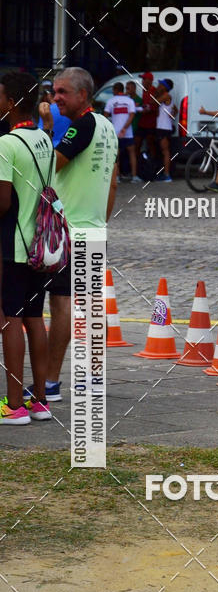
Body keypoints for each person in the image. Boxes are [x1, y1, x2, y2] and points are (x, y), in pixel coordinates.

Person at [31, 66, 118, 401]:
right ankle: (94, 377)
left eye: (63, 92)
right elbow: (112, 182)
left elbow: (52, 166)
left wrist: (48, 130)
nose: (55, 98)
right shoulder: (107, 128)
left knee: (63, 304)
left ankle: (50, 382)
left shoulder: (83, 125)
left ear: (84, 94)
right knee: (94, 306)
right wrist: (102, 221)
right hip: (94, 229)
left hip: (71, 230)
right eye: (54, 91)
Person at [0, 71, 53, 423]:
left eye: (1, 96)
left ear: (14, 101)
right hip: (41, 245)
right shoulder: (44, 139)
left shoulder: (7, 143)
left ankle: (14, 405)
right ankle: (40, 400)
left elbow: (3, 202)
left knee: (8, 321)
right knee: (35, 320)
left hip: (13, 245)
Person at [104, 82, 141, 183]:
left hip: (115, 133)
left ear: (115, 90)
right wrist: (125, 128)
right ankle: (134, 176)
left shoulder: (111, 101)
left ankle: (117, 177)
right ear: (123, 89)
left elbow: (105, 116)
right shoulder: (130, 101)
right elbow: (132, 115)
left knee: (116, 155)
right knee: (132, 153)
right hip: (128, 132)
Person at [154, 78, 177, 183]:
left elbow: (153, 102)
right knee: (163, 152)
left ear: (165, 87)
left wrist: (155, 92)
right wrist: (172, 115)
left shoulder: (166, 96)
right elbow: (176, 109)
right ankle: (164, 174)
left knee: (165, 151)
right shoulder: (166, 97)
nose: (158, 86)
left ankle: (167, 175)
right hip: (162, 127)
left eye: (160, 85)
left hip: (164, 128)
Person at [37, 79, 71, 147]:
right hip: (67, 146)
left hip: (50, 146)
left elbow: (40, 131)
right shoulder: (70, 109)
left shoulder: (46, 110)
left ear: (49, 96)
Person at [134, 71, 158, 163]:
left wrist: (137, 109)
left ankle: (153, 166)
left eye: (144, 79)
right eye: (142, 79)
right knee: (137, 144)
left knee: (151, 145)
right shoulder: (144, 91)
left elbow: (152, 107)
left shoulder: (154, 91)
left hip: (150, 124)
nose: (142, 81)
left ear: (150, 80)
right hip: (142, 123)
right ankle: (139, 166)